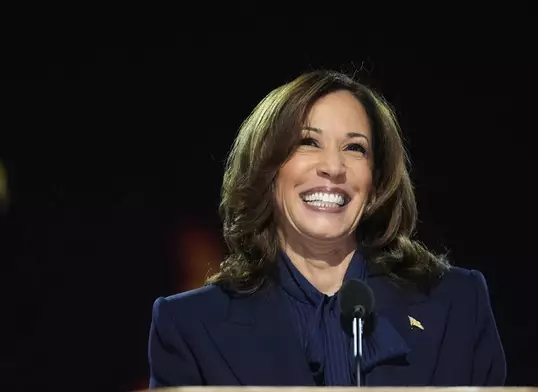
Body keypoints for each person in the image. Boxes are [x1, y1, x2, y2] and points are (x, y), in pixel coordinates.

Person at [147, 70, 506, 387]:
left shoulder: (458, 302)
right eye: (308, 142)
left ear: (376, 181)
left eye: (355, 148)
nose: (334, 167)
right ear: (267, 172)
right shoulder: (190, 325)